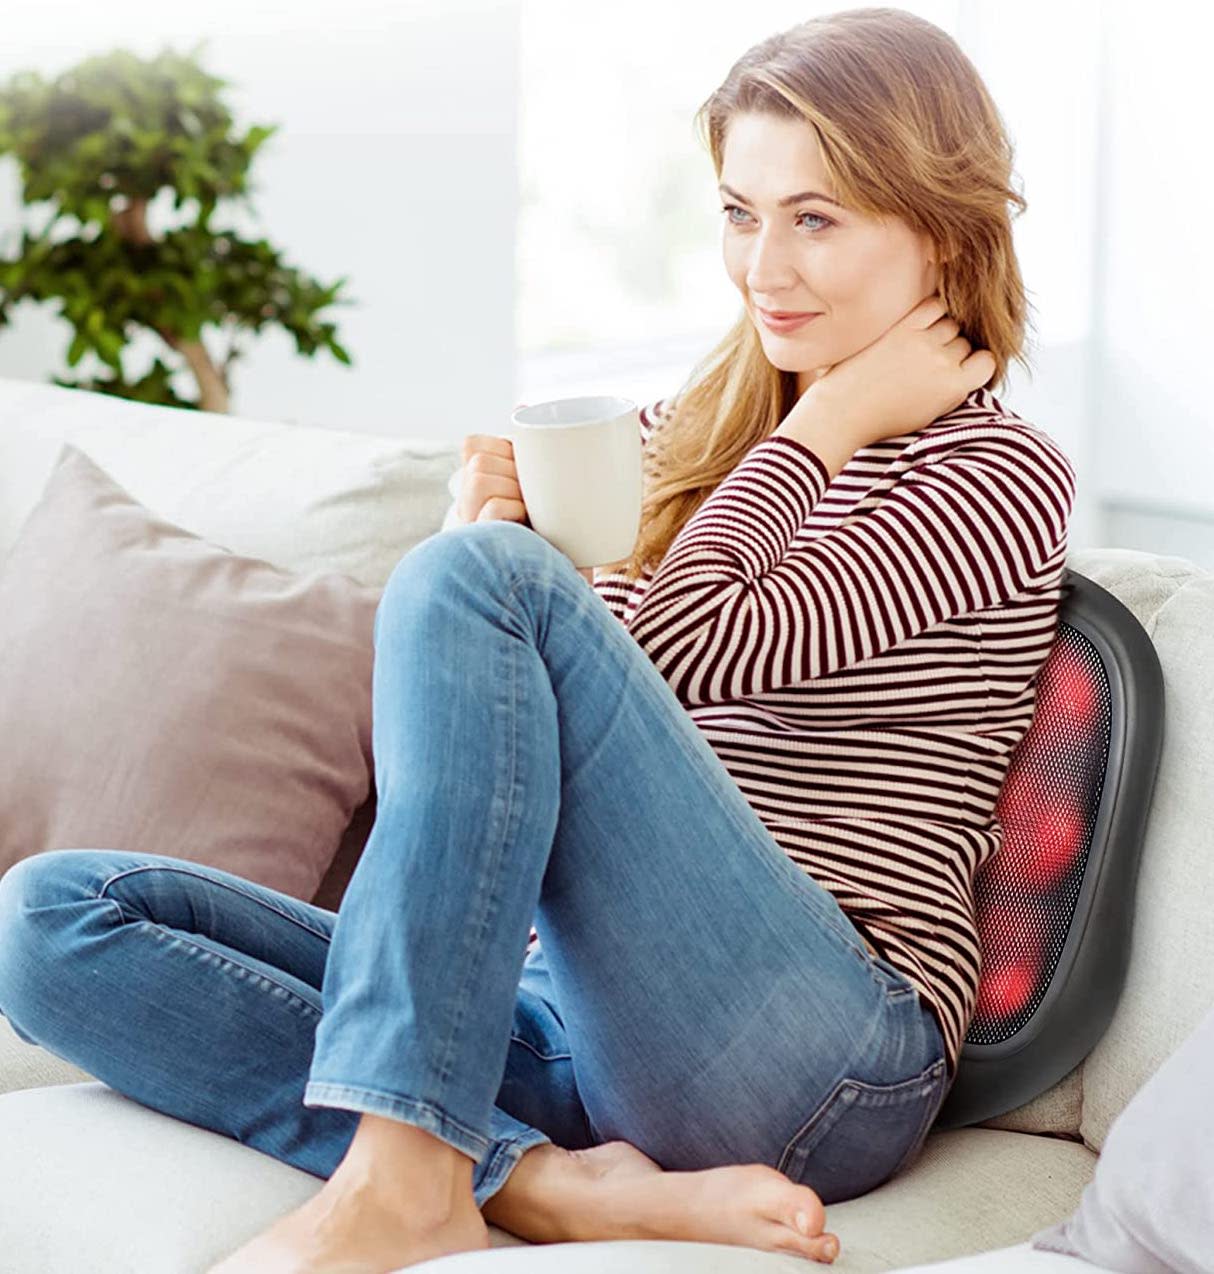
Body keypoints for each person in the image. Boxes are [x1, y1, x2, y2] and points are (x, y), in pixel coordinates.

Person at [0, 8, 1076, 1272]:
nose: (761, 267)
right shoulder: (696, 426)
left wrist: (825, 423)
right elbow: (506, 759)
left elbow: (670, 654)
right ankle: (528, 1177)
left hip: (821, 1053)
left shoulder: (994, 474)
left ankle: (401, 1177)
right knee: (55, 917)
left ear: (942, 229)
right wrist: (480, 557)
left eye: (816, 217)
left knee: (483, 579)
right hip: (569, 1023)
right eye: (739, 212)